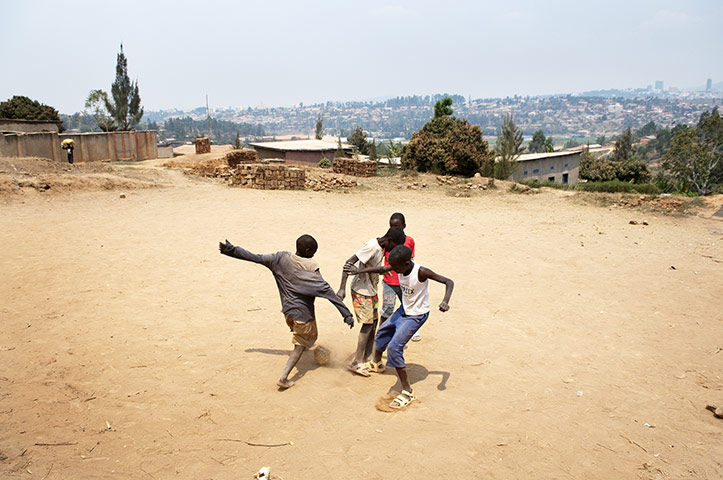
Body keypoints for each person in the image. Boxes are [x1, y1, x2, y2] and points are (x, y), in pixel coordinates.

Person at [219, 234, 354, 389]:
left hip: (288, 313)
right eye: (313, 252)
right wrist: (346, 314)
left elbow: (255, 257)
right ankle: (283, 377)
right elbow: (328, 292)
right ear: (309, 251)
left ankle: (300, 340)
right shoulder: (312, 269)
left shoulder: (280, 258)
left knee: (303, 336)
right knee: (301, 344)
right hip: (303, 316)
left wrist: (232, 250)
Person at [345, 245, 454, 409]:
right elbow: (382, 268)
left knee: (395, 348)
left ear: (406, 263)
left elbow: (448, 281)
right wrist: (357, 271)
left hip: (416, 315)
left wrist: (445, 301)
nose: (394, 271)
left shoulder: (421, 272)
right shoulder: (399, 266)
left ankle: (407, 391)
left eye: (396, 268)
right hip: (404, 309)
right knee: (382, 332)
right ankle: (376, 363)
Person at [337, 227, 406, 377]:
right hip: (361, 290)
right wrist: (341, 288)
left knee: (374, 323)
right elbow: (348, 263)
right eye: (394, 247)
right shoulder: (371, 247)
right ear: (389, 241)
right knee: (367, 325)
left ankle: (367, 357)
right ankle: (356, 362)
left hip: (371, 290)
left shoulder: (381, 247)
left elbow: (373, 267)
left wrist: (382, 270)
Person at [381, 213, 420, 341]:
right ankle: (381, 331)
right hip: (389, 281)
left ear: (404, 226)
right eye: (391, 226)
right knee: (387, 307)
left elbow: (411, 260)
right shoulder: (387, 241)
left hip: (404, 281)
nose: (394, 229)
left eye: (397, 226)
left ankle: (411, 330)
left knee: (408, 305)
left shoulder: (409, 241)